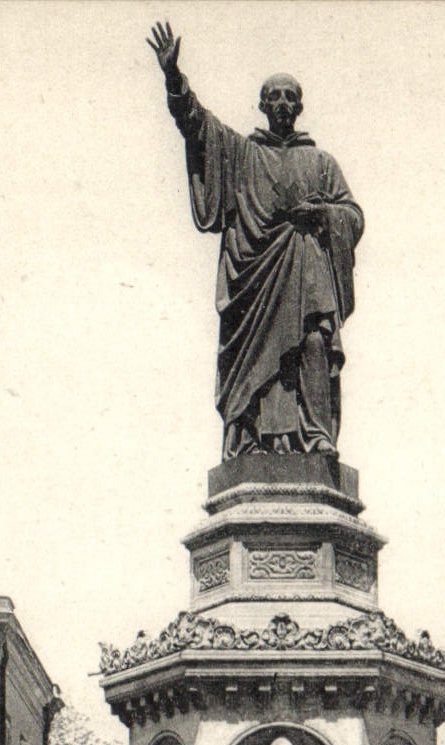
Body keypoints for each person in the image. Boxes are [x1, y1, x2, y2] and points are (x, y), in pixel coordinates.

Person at [147, 21, 364, 458]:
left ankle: (317, 435)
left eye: (290, 96)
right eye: (274, 96)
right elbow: (197, 126)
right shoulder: (242, 154)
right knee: (256, 363)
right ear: (262, 104)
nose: (282, 103)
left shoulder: (322, 163)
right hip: (256, 279)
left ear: (299, 106)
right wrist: (174, 80)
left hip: (306, 269)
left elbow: (352, 216)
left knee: (315, 341)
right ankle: (251, 439)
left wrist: (323, 214)